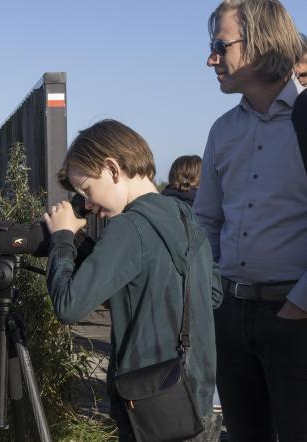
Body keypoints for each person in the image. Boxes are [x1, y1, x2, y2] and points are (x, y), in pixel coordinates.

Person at [43, 119, 222, 441]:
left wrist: (63, 238)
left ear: (113, 169)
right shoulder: (185, 216)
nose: (86, 204)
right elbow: (212, 294)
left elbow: (69, 306)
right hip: (197, 399)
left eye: (87, 189)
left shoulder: (128, 227)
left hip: (151, 401)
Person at [195, 1, 307, 440]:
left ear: (261, 43)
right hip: (231, 316)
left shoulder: (306, 122)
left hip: (295, 319)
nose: (211, 59)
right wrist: (212, 299)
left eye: (220, 46)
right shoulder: (223, 129)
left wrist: (298, 305)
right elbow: (206, 220)